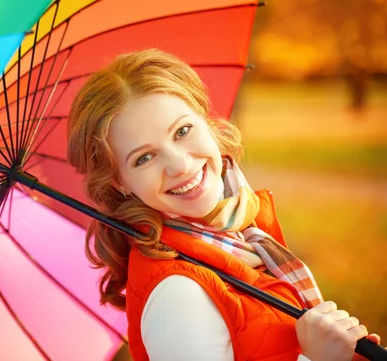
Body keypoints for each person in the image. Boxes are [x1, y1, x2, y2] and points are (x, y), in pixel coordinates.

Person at [66, 49, 383, 361]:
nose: (179, 165)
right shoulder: (178, 295)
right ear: (119, 182)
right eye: (144, 158)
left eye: (182, 131)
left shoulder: (242, 232)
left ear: (205, 120)